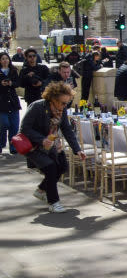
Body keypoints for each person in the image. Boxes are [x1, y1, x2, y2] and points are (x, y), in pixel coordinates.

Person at [18, 81, 86, 212]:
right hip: (34, 146)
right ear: (53, 99)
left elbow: (67, 129)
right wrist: (42, 140)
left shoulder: (62, 109)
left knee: (62, 167)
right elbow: (24, 129)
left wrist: (77, 149)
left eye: (67, 103)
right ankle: (54, 202)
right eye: (63, 102)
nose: (65, 106)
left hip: (52, 144)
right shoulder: (37, 107)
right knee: (51, 168)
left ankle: (42, 189)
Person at [0, 52, 20, 155]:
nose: (5, 60)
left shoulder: (13, 71)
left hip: (13, 102)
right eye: (3, 59)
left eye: (6, 59)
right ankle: (1, 143)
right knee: (4, 124)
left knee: (14, 126)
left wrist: (11, 83)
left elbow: (18, 83)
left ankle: (13, 146)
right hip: (2, 102)